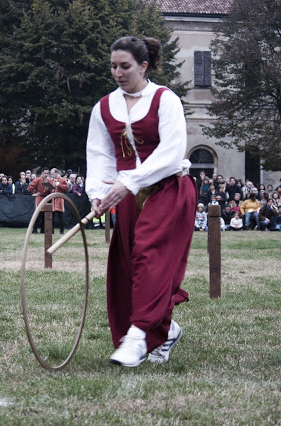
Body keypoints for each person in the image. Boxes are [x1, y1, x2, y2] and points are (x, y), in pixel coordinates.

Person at [85, 36, 194, 367]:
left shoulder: (165, 100)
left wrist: (128, 182)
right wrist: (98, 194)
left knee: (151, 257)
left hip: (169, 189)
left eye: (125, 66)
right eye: (113, 66)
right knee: (131, 267)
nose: (117, 72)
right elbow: (100, 154)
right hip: (127, 195)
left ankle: (137, 337)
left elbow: (172, 153)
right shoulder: (103, 107)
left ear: (144, 66)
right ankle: (167, 330)